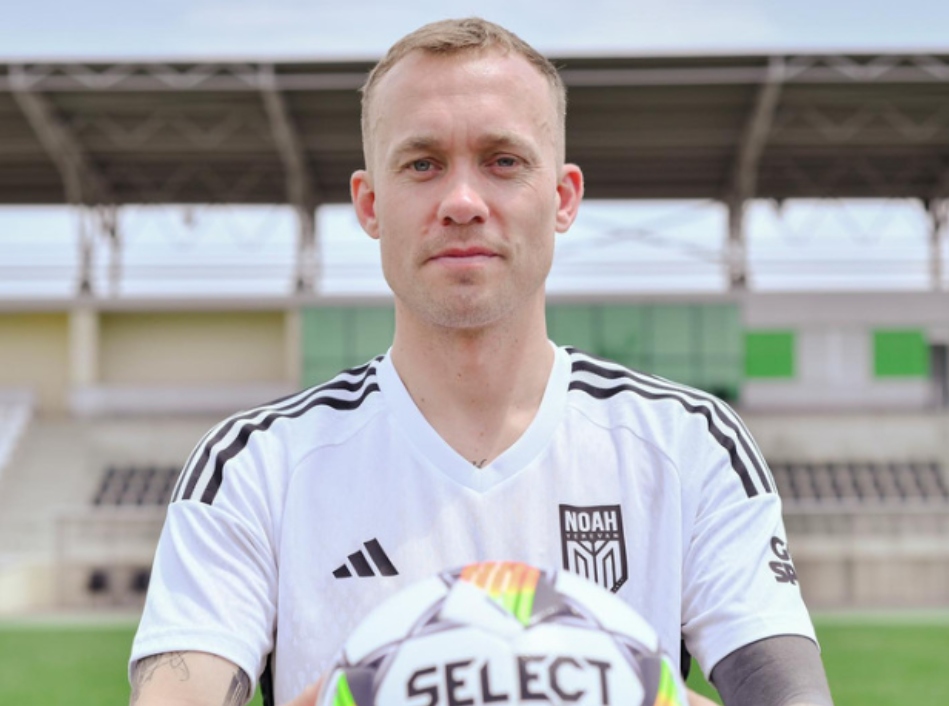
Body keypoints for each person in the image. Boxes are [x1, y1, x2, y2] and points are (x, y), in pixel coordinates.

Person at [129, 17, 833, 706]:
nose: (462, 202)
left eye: (503, 161)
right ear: (369, 204)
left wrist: (608, 685)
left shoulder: (689, 444)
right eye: (422, 164)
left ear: (562, 198)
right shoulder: (255, 467)